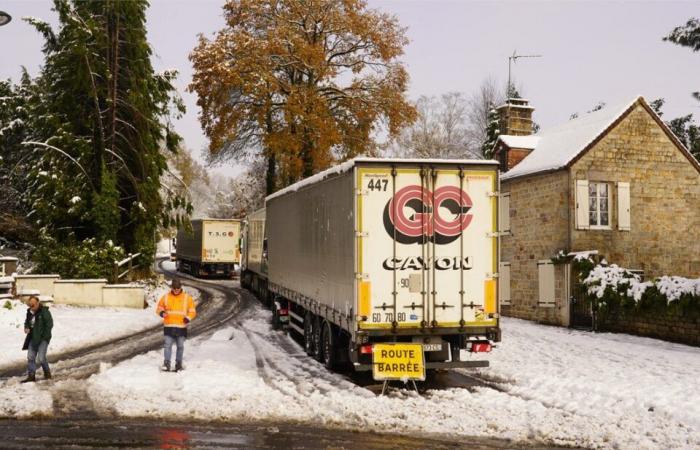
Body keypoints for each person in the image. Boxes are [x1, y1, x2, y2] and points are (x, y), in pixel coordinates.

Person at [156, 278, 196, 372]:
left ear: (180, 287)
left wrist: (188, 318)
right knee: (167, 345)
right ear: (172, 288)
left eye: (178, 288)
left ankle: (178, 363)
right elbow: (159, 308)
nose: (176, 290)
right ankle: (167, 363)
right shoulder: (166, 297)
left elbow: (192, 311)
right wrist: (162, 313)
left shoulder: (187, 298)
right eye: (174, 288)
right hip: (169, 326)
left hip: (181, 327)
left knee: (180, 346)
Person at [21, 296, 53, 383]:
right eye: (30, 304)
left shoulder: (44, 312)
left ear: (38, 303)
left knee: (41, 358)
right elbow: (27, 322)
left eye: (33, 304)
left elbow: (49, 324)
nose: (32, 306)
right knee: (30, 357)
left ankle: (47, 373)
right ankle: (31, 376)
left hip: (43, 338)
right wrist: (26, 327)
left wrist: (45, 337)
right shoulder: (29, 312)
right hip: (33, 337)